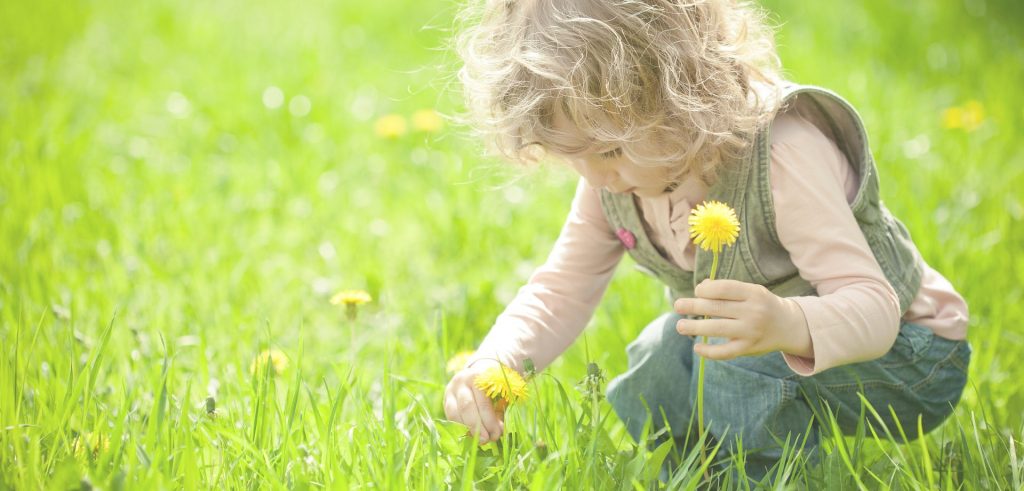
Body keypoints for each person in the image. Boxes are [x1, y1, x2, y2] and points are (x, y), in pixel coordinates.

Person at [442, 0, 970, 478]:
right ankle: (690, 470)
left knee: (734, 352)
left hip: (911, 355)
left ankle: (762, 476)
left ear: (681, 96)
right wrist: (496, 361)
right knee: (661, 353)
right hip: (774, 343)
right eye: (571, 154)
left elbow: (875, 308)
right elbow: (561, 289)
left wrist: (786, 322)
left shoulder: (781, 152)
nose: (595, 176)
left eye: (607, 150)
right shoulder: (613, 181)